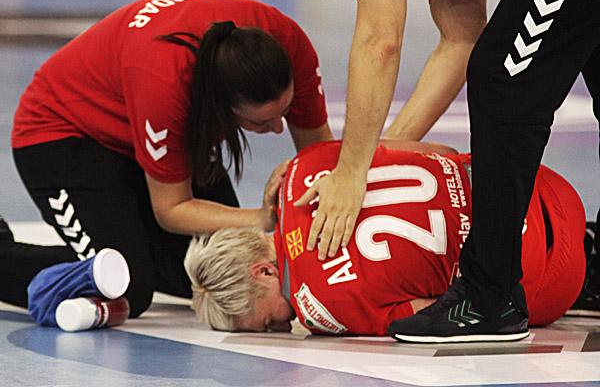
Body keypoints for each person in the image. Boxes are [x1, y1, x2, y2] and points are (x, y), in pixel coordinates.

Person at [279, 0, 600, 341]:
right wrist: (382, 155)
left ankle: (490, 297)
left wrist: (352, 172)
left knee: (502, 81)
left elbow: (380, 41)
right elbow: (461, 38)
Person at [1, 0, 333, 318]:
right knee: (126, 283)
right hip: (64, 135)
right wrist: (262, 217)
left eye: (284, 112)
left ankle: (127, 241)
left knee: (222, 270)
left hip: (140, 123)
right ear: (219, 105)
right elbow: (172, 208)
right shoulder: (165, 82)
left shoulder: (288, 45)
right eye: (260, 123)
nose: (278, 128)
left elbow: (323, 162)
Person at [184, 140, 588, 335]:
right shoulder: (301, 167)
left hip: (554, 278)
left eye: (263, 320)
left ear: (264, 271)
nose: (274, 328)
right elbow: (439, 150)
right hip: (542, 183)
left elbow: (433, 312)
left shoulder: (318, 310)